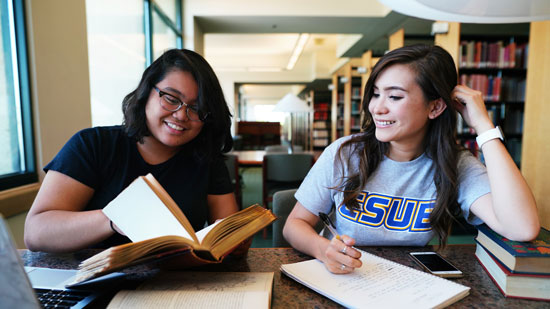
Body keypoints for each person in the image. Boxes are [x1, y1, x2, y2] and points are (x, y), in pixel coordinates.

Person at [283, 44, 540, 274]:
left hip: (410, 283)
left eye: (394, 96)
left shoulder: (455, 164)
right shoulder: (345, 153)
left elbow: (521, 228)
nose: (377, 108)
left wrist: (484, 128)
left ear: (435, 107)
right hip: (345, 276)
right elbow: (295, 224)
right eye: (375, 93)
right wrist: (322, 248)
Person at [25, 49, 240, 253]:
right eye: (171, 99)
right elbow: (35, 233)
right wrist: (116, 218)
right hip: (91, 280)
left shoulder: (205, 158)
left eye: (197, 107)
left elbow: (229, 236)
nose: (182, 115)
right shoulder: (93, 145)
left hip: (173, 282)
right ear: (146, 92)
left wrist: (235, 239)